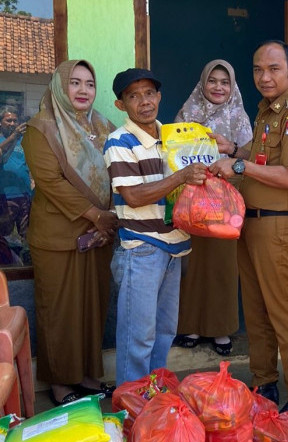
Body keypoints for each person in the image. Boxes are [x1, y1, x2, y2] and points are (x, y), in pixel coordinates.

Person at [209, 40, 288, 420]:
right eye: (258, 69)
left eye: (273, 68)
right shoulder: (266, 113)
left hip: (278, 228)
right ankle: (264, 382)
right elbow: (262, 158)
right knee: (255, 313)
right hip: (251, 225)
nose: (264, 76)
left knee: (285, 315)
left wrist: (238, 168)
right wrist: (236, 150)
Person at [22, 60, 118, 405]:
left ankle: (90, 375)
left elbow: (119, 168)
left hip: (99, 236)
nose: (82, 90)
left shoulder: (104, 127)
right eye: (74, 83)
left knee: (93, 308)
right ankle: (61, 383)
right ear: (61, 87)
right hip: (59, 237)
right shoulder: (41, 128)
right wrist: (96, 214)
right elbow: (50, 182)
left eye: (89, 84)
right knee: (60, 310)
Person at [105, 68, 207, 386]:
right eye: (133, 96)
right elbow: (133, 196)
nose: (144, 101)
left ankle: (154, 402)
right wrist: (180, 177)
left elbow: (195, 182)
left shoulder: (176, 137)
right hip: (142, 247)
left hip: (175, 245)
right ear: (121, 105)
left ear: (159, 96)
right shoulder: (118, 141)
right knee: (138, 338)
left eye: (149, 93)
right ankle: (132, 410)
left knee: (164, 333)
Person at [172, 59, 253, 356]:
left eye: (225, 82)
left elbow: (250, 155)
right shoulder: (186, 114)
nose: (218, 87)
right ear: (202, 83)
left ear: (232, 87)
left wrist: (229, 148)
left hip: (225, 203)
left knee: (222, 265)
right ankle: (191, 325)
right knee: (191, 265)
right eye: (212, 81)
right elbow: (172, 153)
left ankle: (221, 329)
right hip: (191, 201)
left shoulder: (240, 117)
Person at [0, 105, 32, 264]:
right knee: (4, 236)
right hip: (5, 197)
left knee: (26, 236)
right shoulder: (5, 139)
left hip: (25, 195)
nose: (12, 123)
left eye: (15, 120)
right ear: (1, 122)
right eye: (8, 120)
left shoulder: (23, 140)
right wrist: (12, 137)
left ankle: (24, 269)